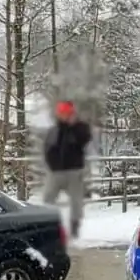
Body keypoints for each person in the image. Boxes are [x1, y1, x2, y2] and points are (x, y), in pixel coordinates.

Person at [42, 99, 93, 238]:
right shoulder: (54, 130)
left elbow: (85, 138)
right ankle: (48, 226)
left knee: (76, 201)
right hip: (56, 171)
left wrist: (74, 126)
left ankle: (74, 228)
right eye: (62, 113)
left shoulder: (79, 128)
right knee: (48, 199)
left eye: (67, 113)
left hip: (74, 171)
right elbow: (47, 148)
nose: (64, 116)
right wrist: (51, 164)